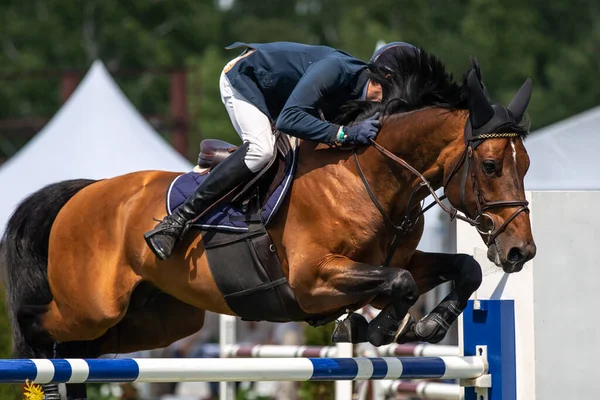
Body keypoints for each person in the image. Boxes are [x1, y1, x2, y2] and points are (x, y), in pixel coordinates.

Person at [144, 41, 417, 260]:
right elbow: (289, 119)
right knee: (262, 150)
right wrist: (344, 134)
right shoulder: (335, 71)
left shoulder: (357, 92)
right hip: (245, 78)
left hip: (280, 97)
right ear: (387, 79)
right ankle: (177, 221)